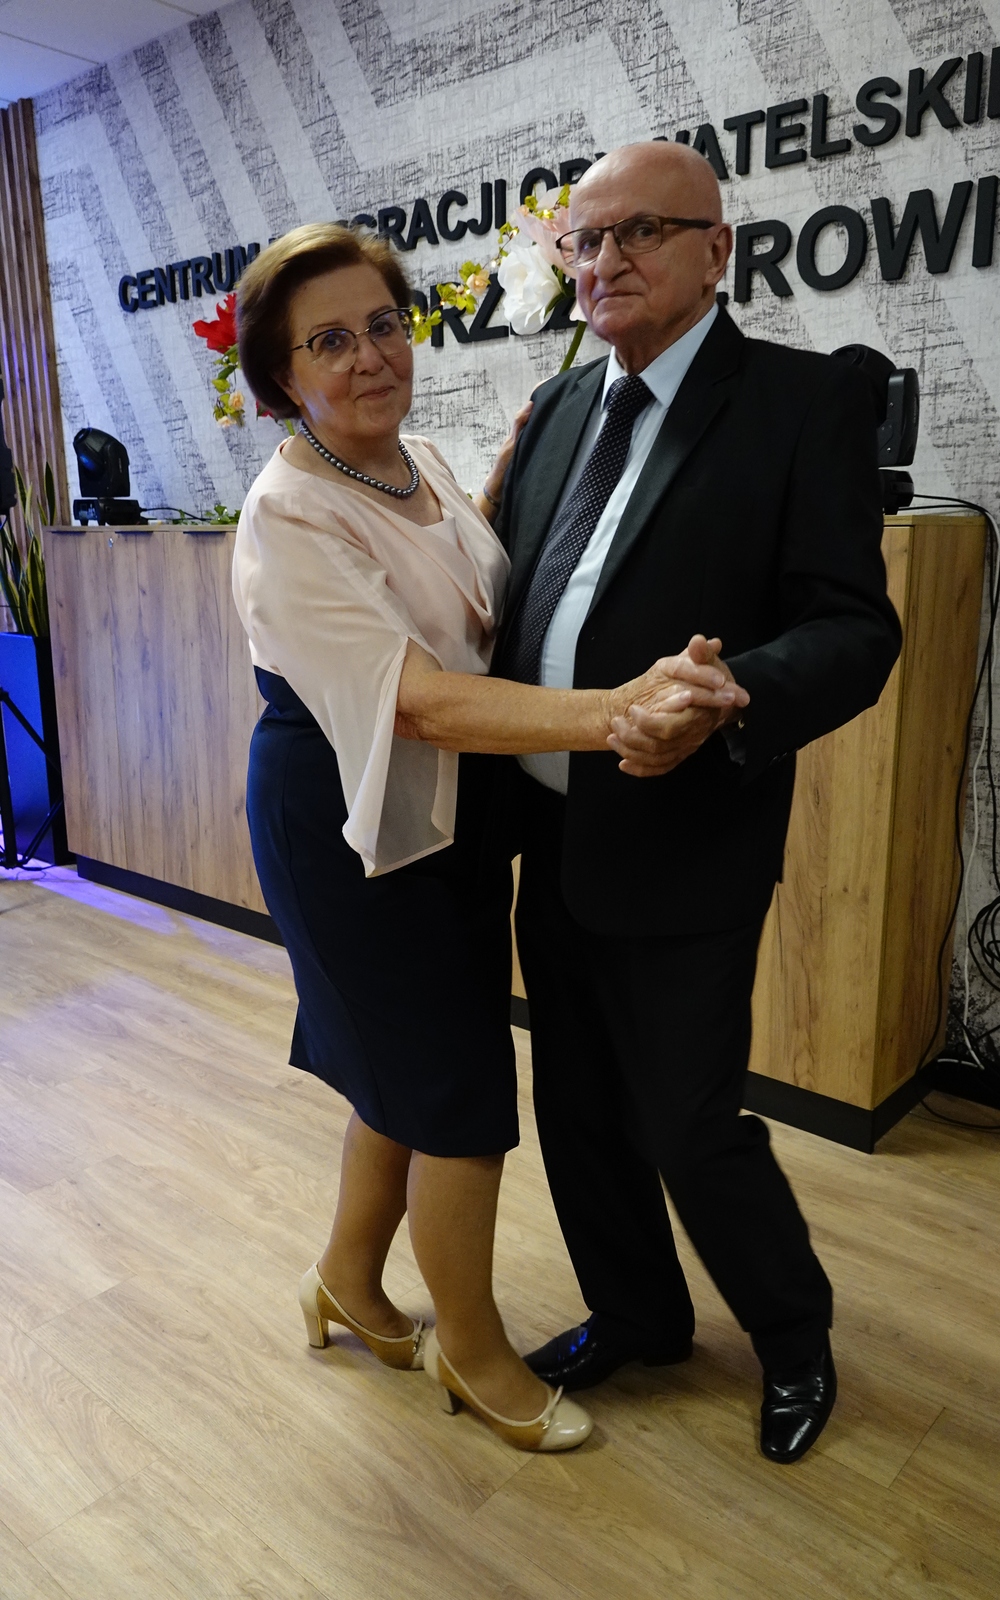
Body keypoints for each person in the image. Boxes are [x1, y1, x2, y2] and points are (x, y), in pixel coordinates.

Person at [230, 222, 741, 1456]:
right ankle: (472, 1349)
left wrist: (507, 485)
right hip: (352, 818)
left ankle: (346, 1281)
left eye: (383, 324)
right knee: (457, 1094)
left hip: (450, 810)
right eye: (329, 341)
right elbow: (415, 698)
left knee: (399, 1074)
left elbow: (464, 600)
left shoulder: (417, 463)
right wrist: (614, 712)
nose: (369, 355)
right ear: (282, 377)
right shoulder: (288, 513)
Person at [492, 143, 903, 1464]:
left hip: (684, 840)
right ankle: (637, 1314)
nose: (602, 261)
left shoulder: (801, 401)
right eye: (583, 240)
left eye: (639, 233)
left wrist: (740, 696)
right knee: (575, 1105)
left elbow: (853, 627)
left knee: (685, 1119)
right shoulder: (558, 406)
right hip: (547, 831)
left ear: (716, 250)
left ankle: (791, 1336)